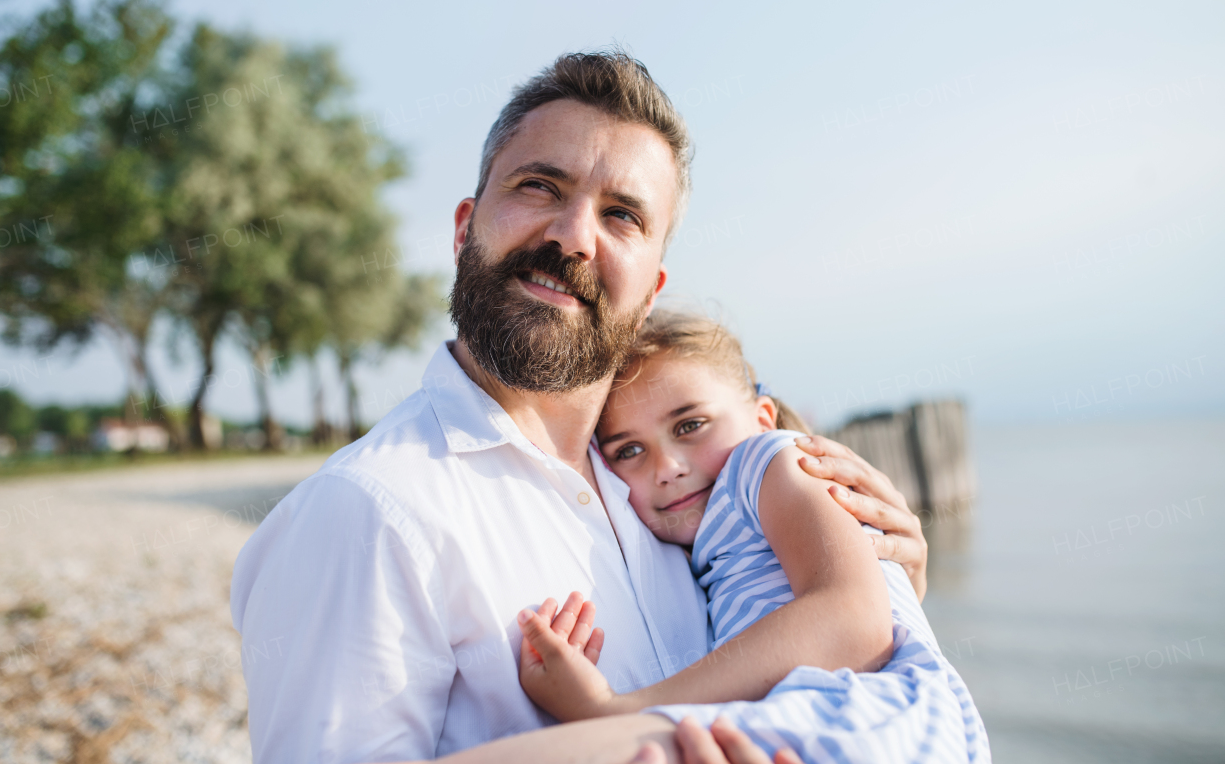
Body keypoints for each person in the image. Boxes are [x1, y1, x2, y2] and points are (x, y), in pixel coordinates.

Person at [230, 49, 930, 764]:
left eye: (622, 214)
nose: (573, 236)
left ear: (651, 290)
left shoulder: (671, 493)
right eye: (540, 185)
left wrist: (890, 589)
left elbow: (819, 642)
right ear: (464, 227)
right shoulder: (368, 512)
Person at [506, 310, 992, 763]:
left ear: (762, 418)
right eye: (629, 450)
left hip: (863, 715)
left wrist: (615, 709)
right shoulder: (712, 540)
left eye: (691, 425)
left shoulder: (764, 461)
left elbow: (853, 620)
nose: (668, 468)